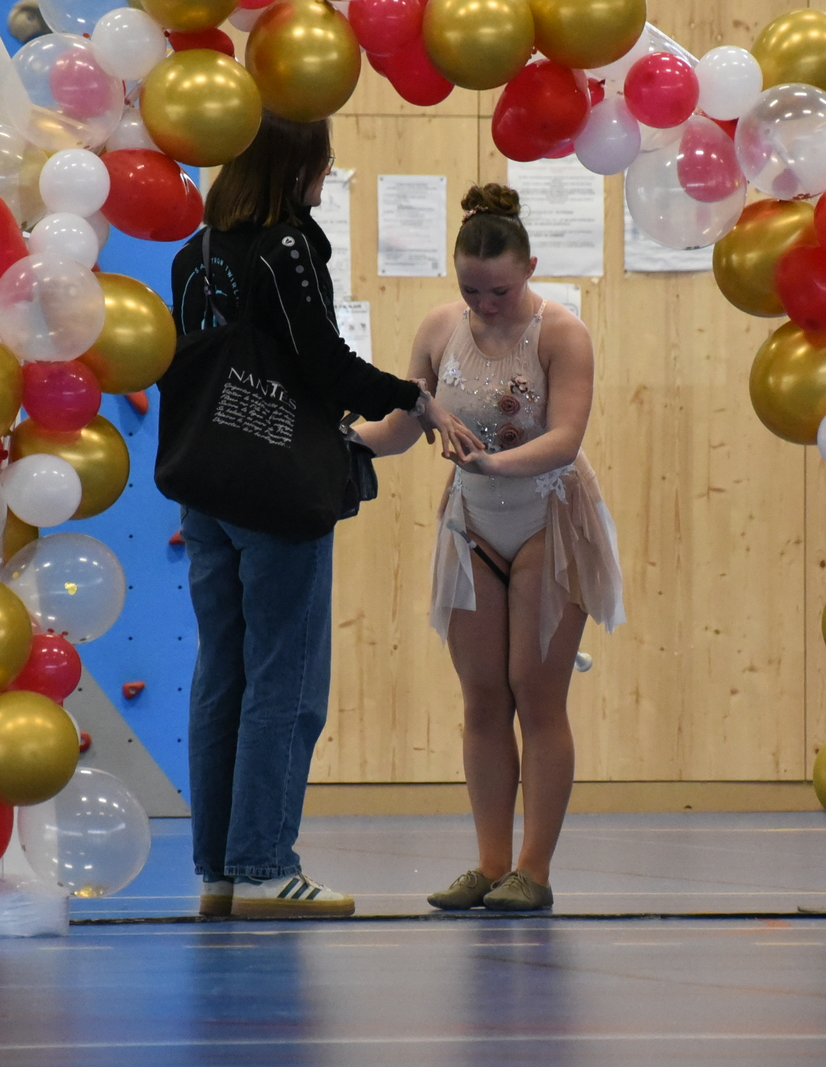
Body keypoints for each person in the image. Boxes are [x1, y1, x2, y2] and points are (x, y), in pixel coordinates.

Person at [166, 113, 479, 920]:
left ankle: (220, 871)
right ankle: (266, 865)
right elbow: (324, 364)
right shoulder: (289, 246)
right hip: (275, 490)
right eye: (323, 160)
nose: (327, 173)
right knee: (288, 679)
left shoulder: (194, 251)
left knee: (222, 674)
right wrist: (414, 398)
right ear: (293, 165)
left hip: (205, 485)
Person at [354, 184, 624, 911]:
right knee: (481, 698)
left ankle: (533, 868)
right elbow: (404, 424)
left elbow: (564, 438)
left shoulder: (560, 333)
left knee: (537, 695)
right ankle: (490, 861)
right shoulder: (442, 329)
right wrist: (345, 438)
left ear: (529, 268)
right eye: (471, 289)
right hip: (472, 523)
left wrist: (492, 465)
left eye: (499, 290)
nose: (485, 304)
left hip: (549, 519)